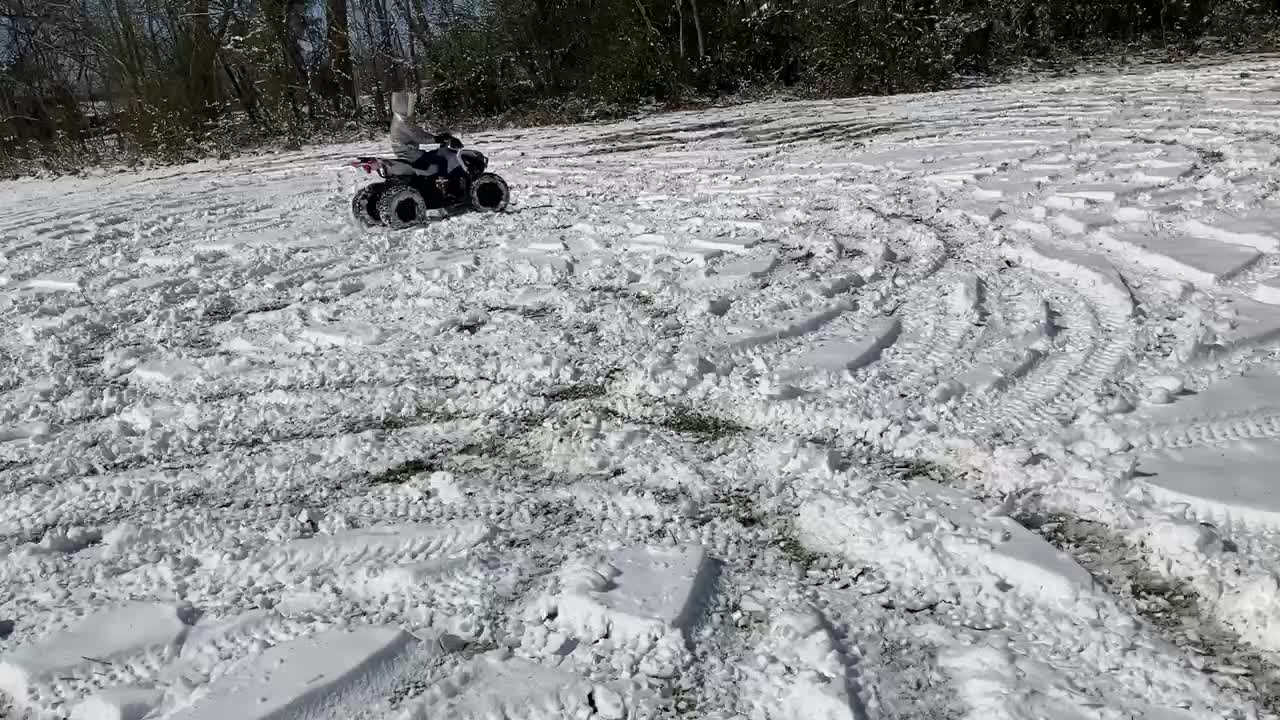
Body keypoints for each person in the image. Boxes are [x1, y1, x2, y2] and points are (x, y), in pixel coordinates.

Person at [389, 91, 464, 180]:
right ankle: (442, 182)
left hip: (407, 152)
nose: (411, 106)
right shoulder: (403, 121)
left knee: (435, 153)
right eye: (408, 103)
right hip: (411, 154)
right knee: (442, 161)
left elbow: (419, 132)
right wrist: (436, 139)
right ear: (402, 104)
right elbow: (418, 137)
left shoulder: (399, 119)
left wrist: (436, 138)